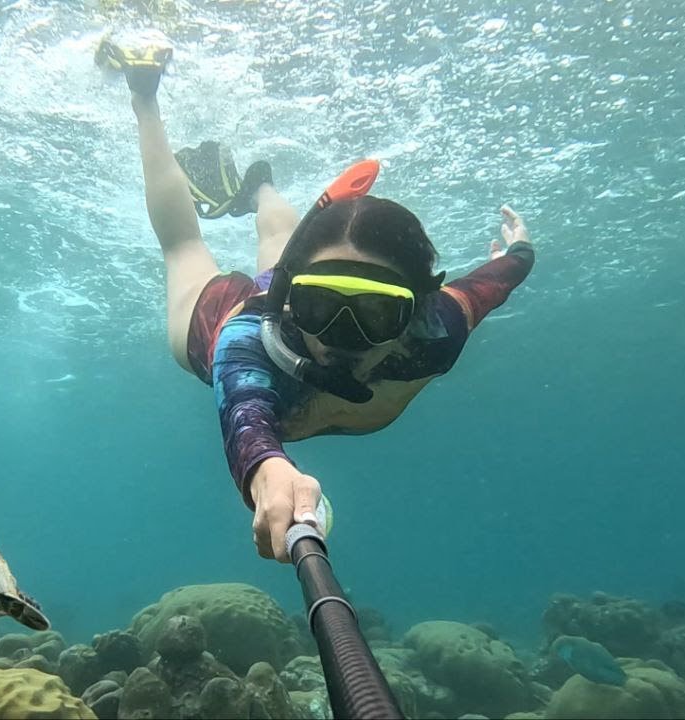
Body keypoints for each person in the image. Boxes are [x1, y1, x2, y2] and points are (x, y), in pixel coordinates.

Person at [99, 38, 536, 562]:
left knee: (257, 244)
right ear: (289, 293)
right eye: (322, 307)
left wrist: (520, 253)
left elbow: (491, 283)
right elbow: (246, 415)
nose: (341, 339)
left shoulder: (436, 328)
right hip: (256, 320)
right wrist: (267, 470)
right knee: (184, 246)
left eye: (375, 312)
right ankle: (145, 96)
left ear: (415, 310)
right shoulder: (241, 345)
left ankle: (260, 188)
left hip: (286, 301)